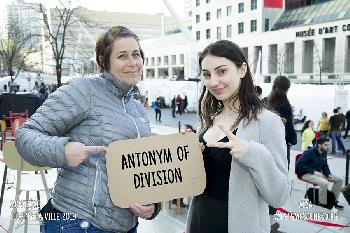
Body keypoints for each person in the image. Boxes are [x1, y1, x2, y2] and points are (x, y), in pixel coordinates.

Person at [15, 26, 159, 233]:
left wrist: (152, 205)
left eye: (136, 55)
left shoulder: (136, 107)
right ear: (104, 60)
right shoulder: (82, 90)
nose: (132, 63)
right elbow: (25, 136)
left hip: (126, 226)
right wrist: (62, 151)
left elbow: (142, 166)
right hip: (79, 223)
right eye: (122, 56)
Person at [186, 40, 290, 233]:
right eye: (207, 75)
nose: (213, 82)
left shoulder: (267, 121)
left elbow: (280, 195)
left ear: (242, 70)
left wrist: (253, 154)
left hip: (237, 225)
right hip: (199, 219)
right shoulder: (209, 118)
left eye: (221, 71)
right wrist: (186, 154)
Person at [296, 137, 344, 209]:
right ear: (319, 145)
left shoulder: (324, 152)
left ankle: (333, 201)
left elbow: (325, 165)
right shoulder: (309, 152)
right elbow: (299, 164)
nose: (328, 147)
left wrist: (328, 174)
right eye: (326, 145)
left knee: (339, 180)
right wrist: (313, 171)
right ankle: (323, 203)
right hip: (306, 174)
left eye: (328, 145)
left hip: (319, 173)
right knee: (324, 183)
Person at [265, 76, 297, 170]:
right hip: (281, 145)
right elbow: (289, 128)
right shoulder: (285, 104)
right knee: (281, 173)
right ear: (287, 89)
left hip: (265, 144)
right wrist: (293, 140)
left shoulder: (265, 101)